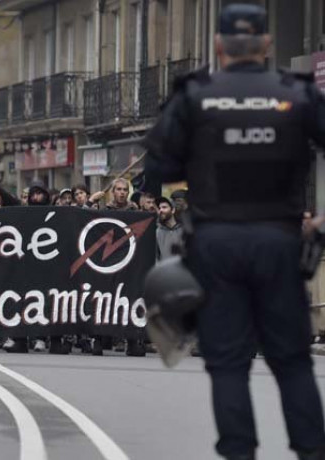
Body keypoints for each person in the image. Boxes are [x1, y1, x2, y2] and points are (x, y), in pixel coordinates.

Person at [144, 4, 325, 458]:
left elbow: (159, 167)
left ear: (220, 46)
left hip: (216, 243)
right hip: (280, 241)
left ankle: (239, 453)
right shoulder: (298, 92)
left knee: (227, 363)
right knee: (292, 361)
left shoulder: (194, 96)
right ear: (265, 45)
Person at [156, 197, 183, 261]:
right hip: (165, 270)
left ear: (173, 210)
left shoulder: (183, 229)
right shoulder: (158, 232)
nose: (161, 210)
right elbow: (156, 256)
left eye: (164, 207)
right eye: (159, 208)